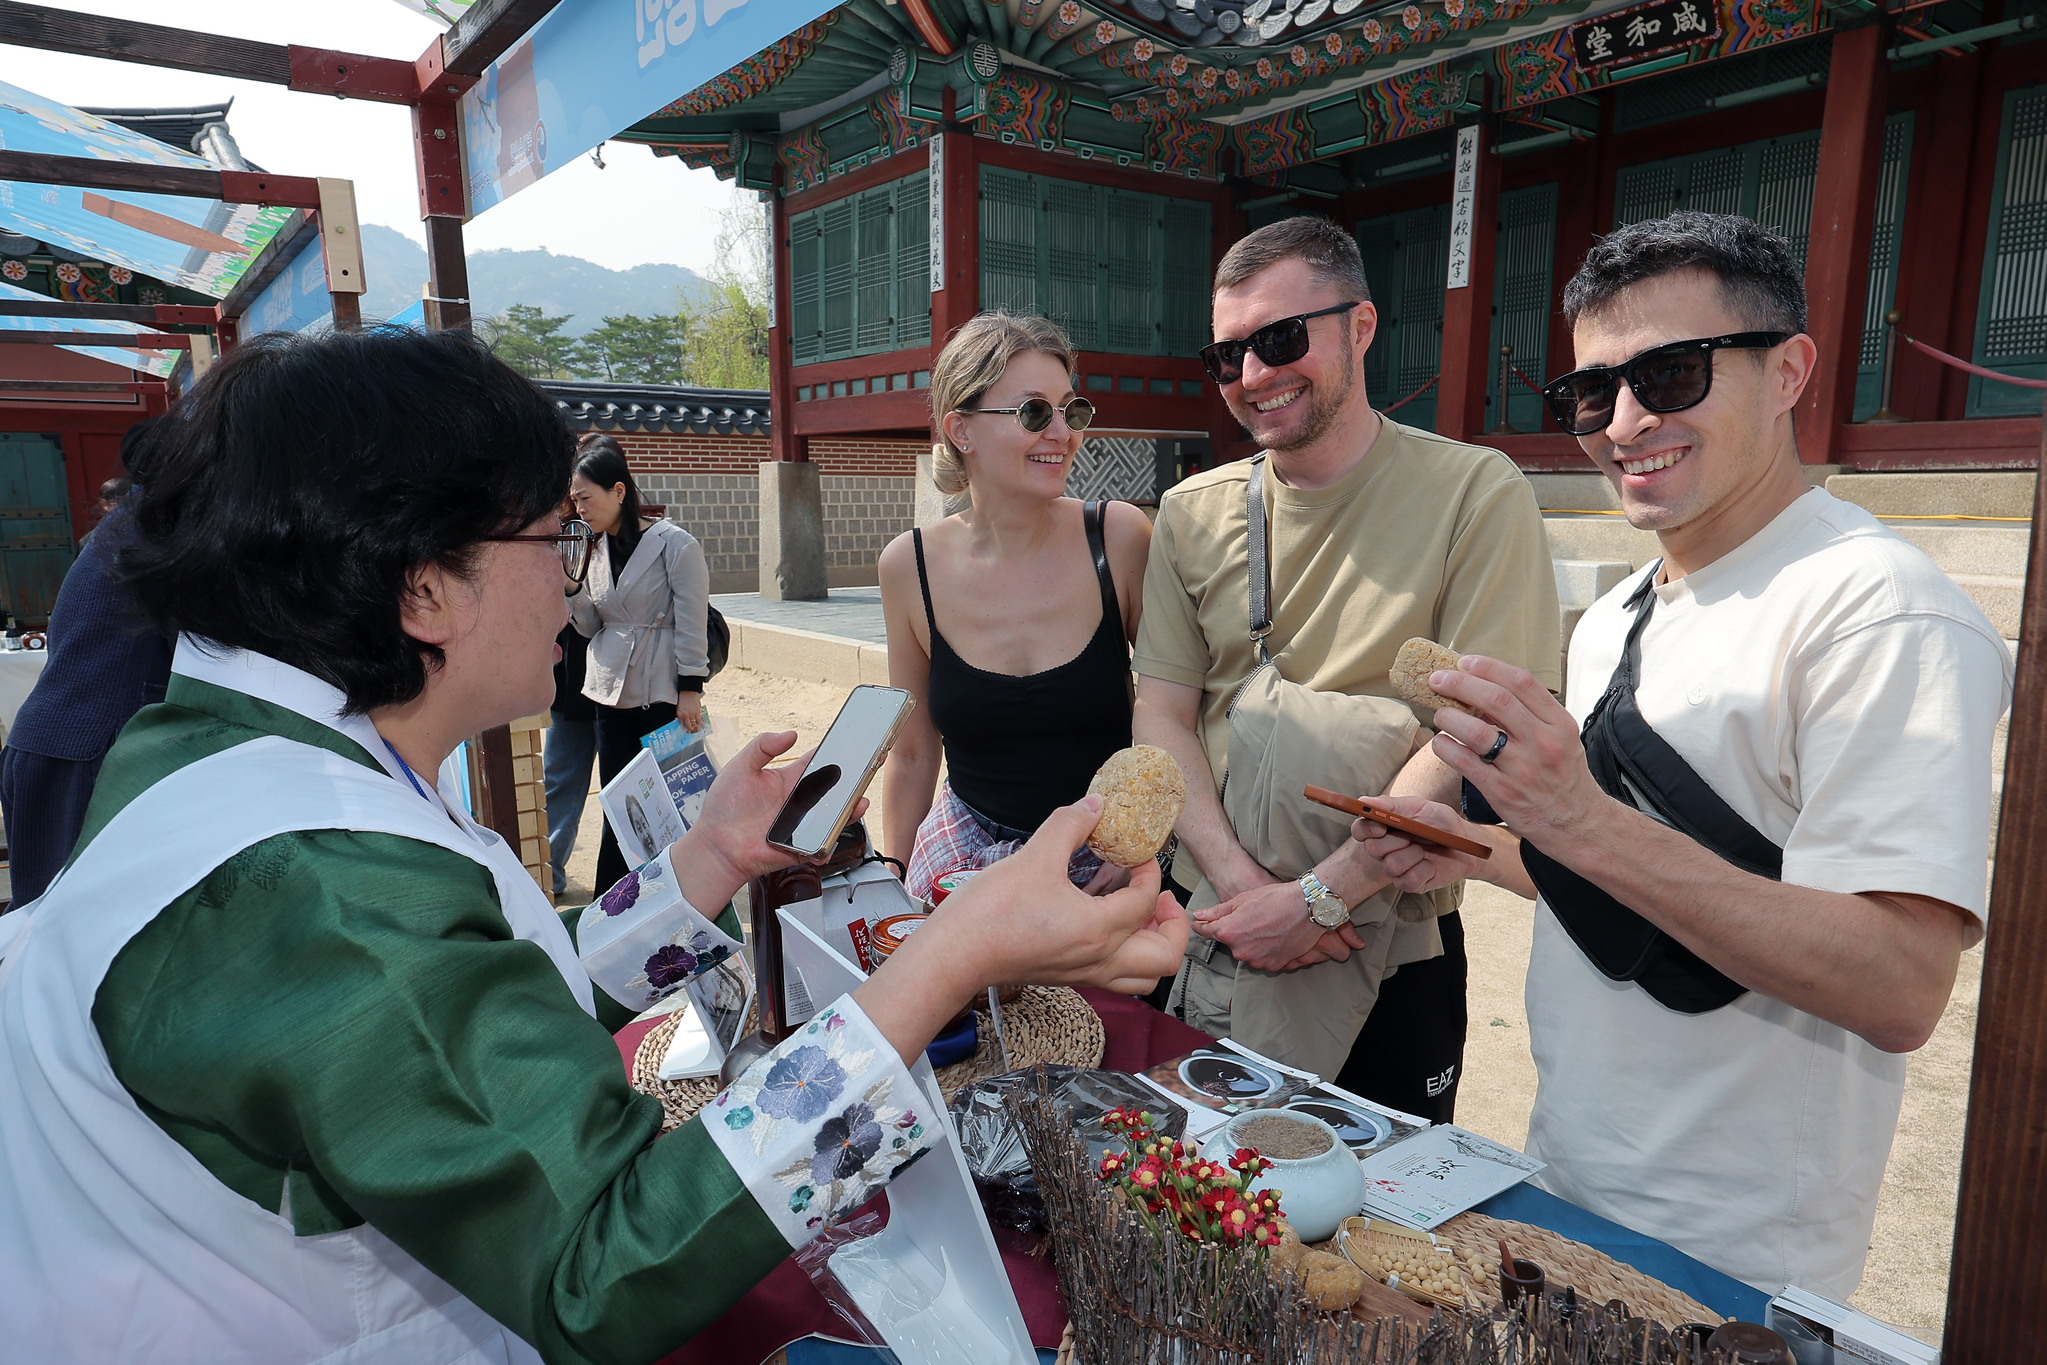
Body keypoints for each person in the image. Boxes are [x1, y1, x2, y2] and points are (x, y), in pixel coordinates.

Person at [0, 325, 1188, 1364]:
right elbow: (600, 1266)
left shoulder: (230, 747)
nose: (577, 593)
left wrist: (701, 868)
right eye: (556, 542)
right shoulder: (318, 879)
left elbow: (468, 1002)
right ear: (425, 592)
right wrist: (951, 957)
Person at [1353, 212, 2011, 1298]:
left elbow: (1899, 983)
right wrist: (1472, 848)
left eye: (1669, 374)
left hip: (1733, 1252)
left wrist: (1576, 820)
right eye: (1588, 393)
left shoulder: (1876, 610)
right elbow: (1636, 872)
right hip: (1568, 1179)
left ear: (1789, 370)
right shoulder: (1616, 608)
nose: (1622, 421)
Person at [1132, 216, 1560, 1119]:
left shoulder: (1475, 494)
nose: (1254, 376)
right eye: (1227, 356)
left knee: (1376, 1227)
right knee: (1193, 1196)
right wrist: (1252, 892)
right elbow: (1163, 715)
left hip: (1393, 931)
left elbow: (1474, 731)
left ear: (1360, 327)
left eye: (1282, 339)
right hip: (1221, 921)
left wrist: (1322, 898)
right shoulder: (1187, 513)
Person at [879, 311, 1152, 899]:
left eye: (1071, 410)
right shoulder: (909, 566)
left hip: (1106, 860)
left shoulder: (1119, 538)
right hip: (963, 861)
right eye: (1033, 412)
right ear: (962, 430)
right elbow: (912, 750)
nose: (1062, 432)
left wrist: (1144, 840)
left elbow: (1176, 708)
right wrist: (891, 887)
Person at [0, 417, 171, 908]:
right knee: (60, 917)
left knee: (52, 910)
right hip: (80, 750)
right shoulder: (154, 533)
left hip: (59, 743)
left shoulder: (133, 526)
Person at [569, 435, 710, 890]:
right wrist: (571, 589)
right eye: (574, 500)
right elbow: (592, 626)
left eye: (585, 497)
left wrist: (691, 687)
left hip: (662, 691)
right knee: (618, 800)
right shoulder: (592, 550)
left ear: (619, 491)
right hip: (609, 691)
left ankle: (678, 889)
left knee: (670, 800)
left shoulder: (675, 544)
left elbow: (692, 620)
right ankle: (616, 896)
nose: (579, 508)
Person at [544, 493, 597, 900]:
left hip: (630, 690)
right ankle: (549, 875)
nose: (581, 499)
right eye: (575, 491)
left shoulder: (630, 539)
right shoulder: (549, 534)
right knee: (560, 779)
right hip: (570, 681)